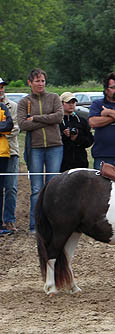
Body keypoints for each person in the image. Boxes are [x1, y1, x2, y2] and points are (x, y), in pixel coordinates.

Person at [16, 68, 63, 233]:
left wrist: (35, 118)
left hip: (55, 146)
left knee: (52, 186)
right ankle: (35, 225)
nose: (41, 84)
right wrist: (48, 120)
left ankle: (54, 224)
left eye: (42, 80)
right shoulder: (24, 102)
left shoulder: (54, 97)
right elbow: (23, 124)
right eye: (37, 81)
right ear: (30, 83)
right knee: (36, 188)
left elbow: (58, 117)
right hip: (35, 148)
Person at [0, 78, 20, 233]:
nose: (1, 89)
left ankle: (9, 221)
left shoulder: (12, 106)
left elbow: (14, 128)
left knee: (11, 187)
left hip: (11, 151)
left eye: (2, 86)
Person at [58, 92, 93, 171]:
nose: (71, 105)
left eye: (73, 102)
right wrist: (64, 135)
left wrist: (77, 138)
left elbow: (89, 140)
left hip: (80, 161)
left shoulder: (82, 121)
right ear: (61, 104)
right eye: (68, 102)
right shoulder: (57, 121)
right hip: (62, 162)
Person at [0, 97, 13, 235]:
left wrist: (4, 126)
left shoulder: (2, 107)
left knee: (0, 191)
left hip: (2, 153)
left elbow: (9, 125)